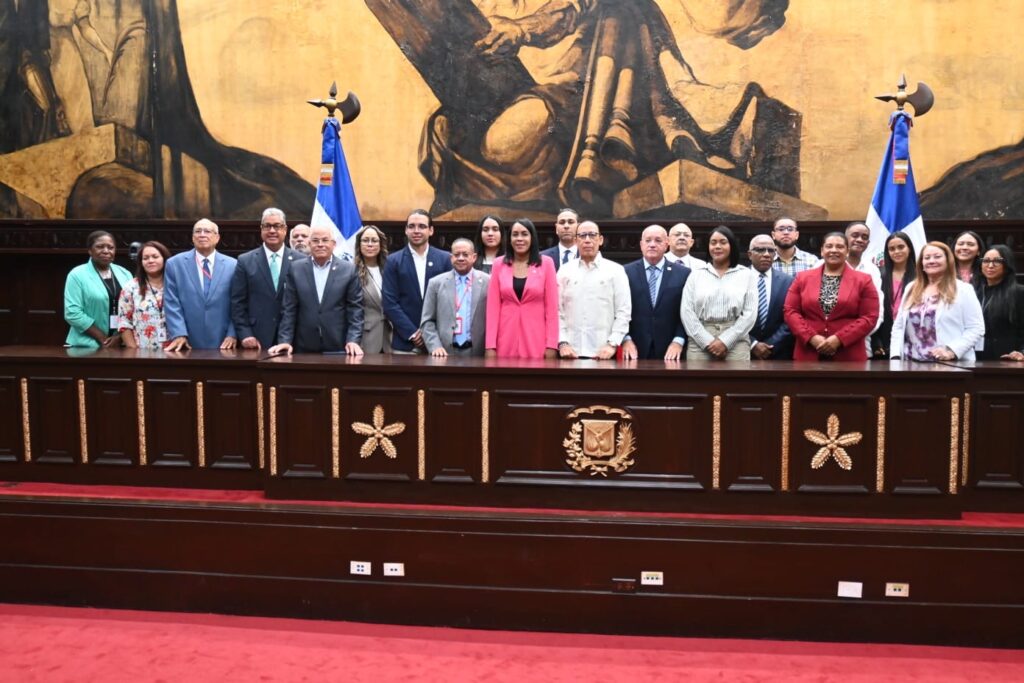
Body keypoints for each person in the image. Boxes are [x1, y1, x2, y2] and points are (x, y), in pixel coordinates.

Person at [268, 226, 364, 356]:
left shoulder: (348, 270)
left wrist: (353, 340)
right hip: (303, 346)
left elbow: (355, 310)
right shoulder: (296, 269)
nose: (320, 245)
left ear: (333, 244)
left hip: (339, 346)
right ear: (309, 243)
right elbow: (289, 309)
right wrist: (285, 341)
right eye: (315, 240)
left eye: (325, 240)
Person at [784, 232, 879, 361]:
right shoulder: (802, 278)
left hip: (848, 354)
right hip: (809, 352)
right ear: (822, 251)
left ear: (847, 252)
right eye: (829, 246)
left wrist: (839, 339)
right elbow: (790, 311)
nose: (834, 250)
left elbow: (870, 317)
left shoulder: (864, 280)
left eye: (839, 247)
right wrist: (811, 337)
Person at [890, 242, 984, 362]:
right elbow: (898, 326)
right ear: (921, 264)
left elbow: (976, 328)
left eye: (937, 257)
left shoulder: (964, 289)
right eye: (927, 258)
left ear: (948, 261)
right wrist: (895, 356)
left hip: (948, 365)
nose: (931, 261)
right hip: (909, 364)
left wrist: (952, 352)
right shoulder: (911, 287)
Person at [230, 208, 303, 351]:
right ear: (261, 229)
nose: (272, 230)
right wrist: (245, 334)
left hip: (294, 338)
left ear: (285, 229)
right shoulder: (245, 261)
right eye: (267, 226)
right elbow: (237, 303)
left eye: (277, 226)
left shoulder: (301, 261)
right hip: (256, 339)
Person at [680, 225, 757, 361]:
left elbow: (750, 314)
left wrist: (726, 341)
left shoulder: (746, 274)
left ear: (731, 245)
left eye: (723, 242)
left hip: (736, 340)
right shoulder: (696, 275)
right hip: (699, 340)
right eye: (713, 242)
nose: (717, 246)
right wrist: (707, 341)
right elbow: (686, 312)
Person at [485, 218, 559, 359]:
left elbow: (552, 309)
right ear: (509, 238)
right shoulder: (498, 264)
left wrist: (551, 345)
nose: (519, 238)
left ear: (532, 237)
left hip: (536, 340)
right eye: (515, 234)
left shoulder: (547, 264)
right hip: (505, 340)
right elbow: (492, 308)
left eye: (524, 234)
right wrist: (490, 345)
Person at [557, 221, 631, 359]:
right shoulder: (565, 271)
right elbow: (557, 310)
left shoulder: (616, 270)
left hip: (604, 353)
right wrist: (563, 343)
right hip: (570, 353)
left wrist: (612, 344)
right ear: (575, 241)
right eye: (582, 236)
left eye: (592, 235)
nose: (587, 240)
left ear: (600, 240)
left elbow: (624, 312)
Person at [382, 209, 452, 353]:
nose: (416, 230)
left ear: (431, 230)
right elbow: (389, 302)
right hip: (405, 343)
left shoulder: (446, 259)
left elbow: (450, 300)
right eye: (411, 226)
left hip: (440, 343)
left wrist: (430, 334)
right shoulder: (393, 261)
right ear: (406, 230)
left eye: (422, 226)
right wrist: (413, 333)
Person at [164, 219, 238, 351]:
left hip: (224, 342)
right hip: (187, 342)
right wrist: (179, 333)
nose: (202, 234)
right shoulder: (175, 264)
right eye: (198, 231)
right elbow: (171, 302)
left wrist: (233, 333)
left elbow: (239, 304)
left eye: (207, 231)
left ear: (217, 237)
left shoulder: (233, 265)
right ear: (193, 238)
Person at [621, 225, 690, 361]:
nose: (652, 245)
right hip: (633, 349)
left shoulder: (683, 273)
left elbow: (687, 311)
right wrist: (625, 339)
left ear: (667, 244)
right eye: (648, 240)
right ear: (641, 244)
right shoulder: (624, 272)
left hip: (671, 351)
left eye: (658, 240)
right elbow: (618, 309)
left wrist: (678, 340)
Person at [64, 230, 133, 348]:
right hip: (86, 345)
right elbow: (72, 313)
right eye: (100, 247)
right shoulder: (77, 275)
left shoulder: (125, 273)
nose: (106, 251)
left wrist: (118, 337)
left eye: (110, 247)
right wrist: (103, 338)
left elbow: (133, 310)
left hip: (120, 344)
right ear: (90, 250)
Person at [421, 238, 490, 357]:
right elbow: (427, 321)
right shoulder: (435, 283)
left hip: (478, 352)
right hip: (444, 353)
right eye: (456, 255)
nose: (461, 258)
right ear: (451, 258)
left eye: (465, 254)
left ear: (474, 257)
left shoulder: (488, 282)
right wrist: (435, 346)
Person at [746, 234, 794, 360]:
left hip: (778, 353)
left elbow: (790, 318)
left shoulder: (788, 281)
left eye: (771, 250)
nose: (766, 254)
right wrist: (753, 344)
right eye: (760, 250)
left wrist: (770, 345)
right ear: (750, 254)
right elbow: (732, 318)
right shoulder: (737, 279)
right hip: (743, 351)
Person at [871, 231, 916, 359]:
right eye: (892, 249)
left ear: (910, 249)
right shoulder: (879, 274)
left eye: (901, 247)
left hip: (914, 336)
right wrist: (876, 341)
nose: (896, 251)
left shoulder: (921, 275)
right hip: (884, 337)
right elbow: (873, 309)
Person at [118, 241, 171, 349]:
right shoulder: (131, 287)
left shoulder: (176, 285)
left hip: (175, 352)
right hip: (142, 352)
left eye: (155, 257)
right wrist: (134, 352)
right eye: (145, 258)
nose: (150, 260)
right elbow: (124, 323)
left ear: (164, 259)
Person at [976, 245, 1023, 361]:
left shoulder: (1019, 292)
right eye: (986, 261)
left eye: (997, 261)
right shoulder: (973, 292)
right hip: (974, 358)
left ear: (1007, 265)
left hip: (1008, 358)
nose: (990, 265)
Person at [844, 221, 884, 354]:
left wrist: (854, 335)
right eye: (855, 235)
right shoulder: (822, 265)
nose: (860, 240)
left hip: (862, 343)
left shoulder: (872, 270)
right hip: (827, 344)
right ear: (845, 238)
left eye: (865, 237)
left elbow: (878, 312)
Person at [354, 225, 392, 354]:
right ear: (359, 244)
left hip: (391, 338)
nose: (370, 244)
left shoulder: (390, 269)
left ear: (381, 244)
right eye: (365, 240)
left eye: (374, 240)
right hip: (365, 339)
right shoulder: (351, 272)